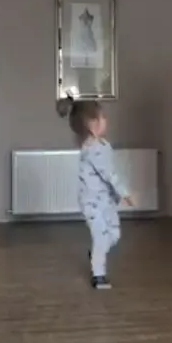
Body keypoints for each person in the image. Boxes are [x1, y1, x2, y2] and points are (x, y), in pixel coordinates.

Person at [59, 97, 134, 289]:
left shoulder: (102, 145)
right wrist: (125, 192)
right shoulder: (93, 150)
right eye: (103, 117)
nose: (106, 120)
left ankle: (96, 254)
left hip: (105, 201)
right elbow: (109, 174)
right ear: (93, 125)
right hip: (92, 203)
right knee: (101, 237)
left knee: (114, 234)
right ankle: (98, 274)